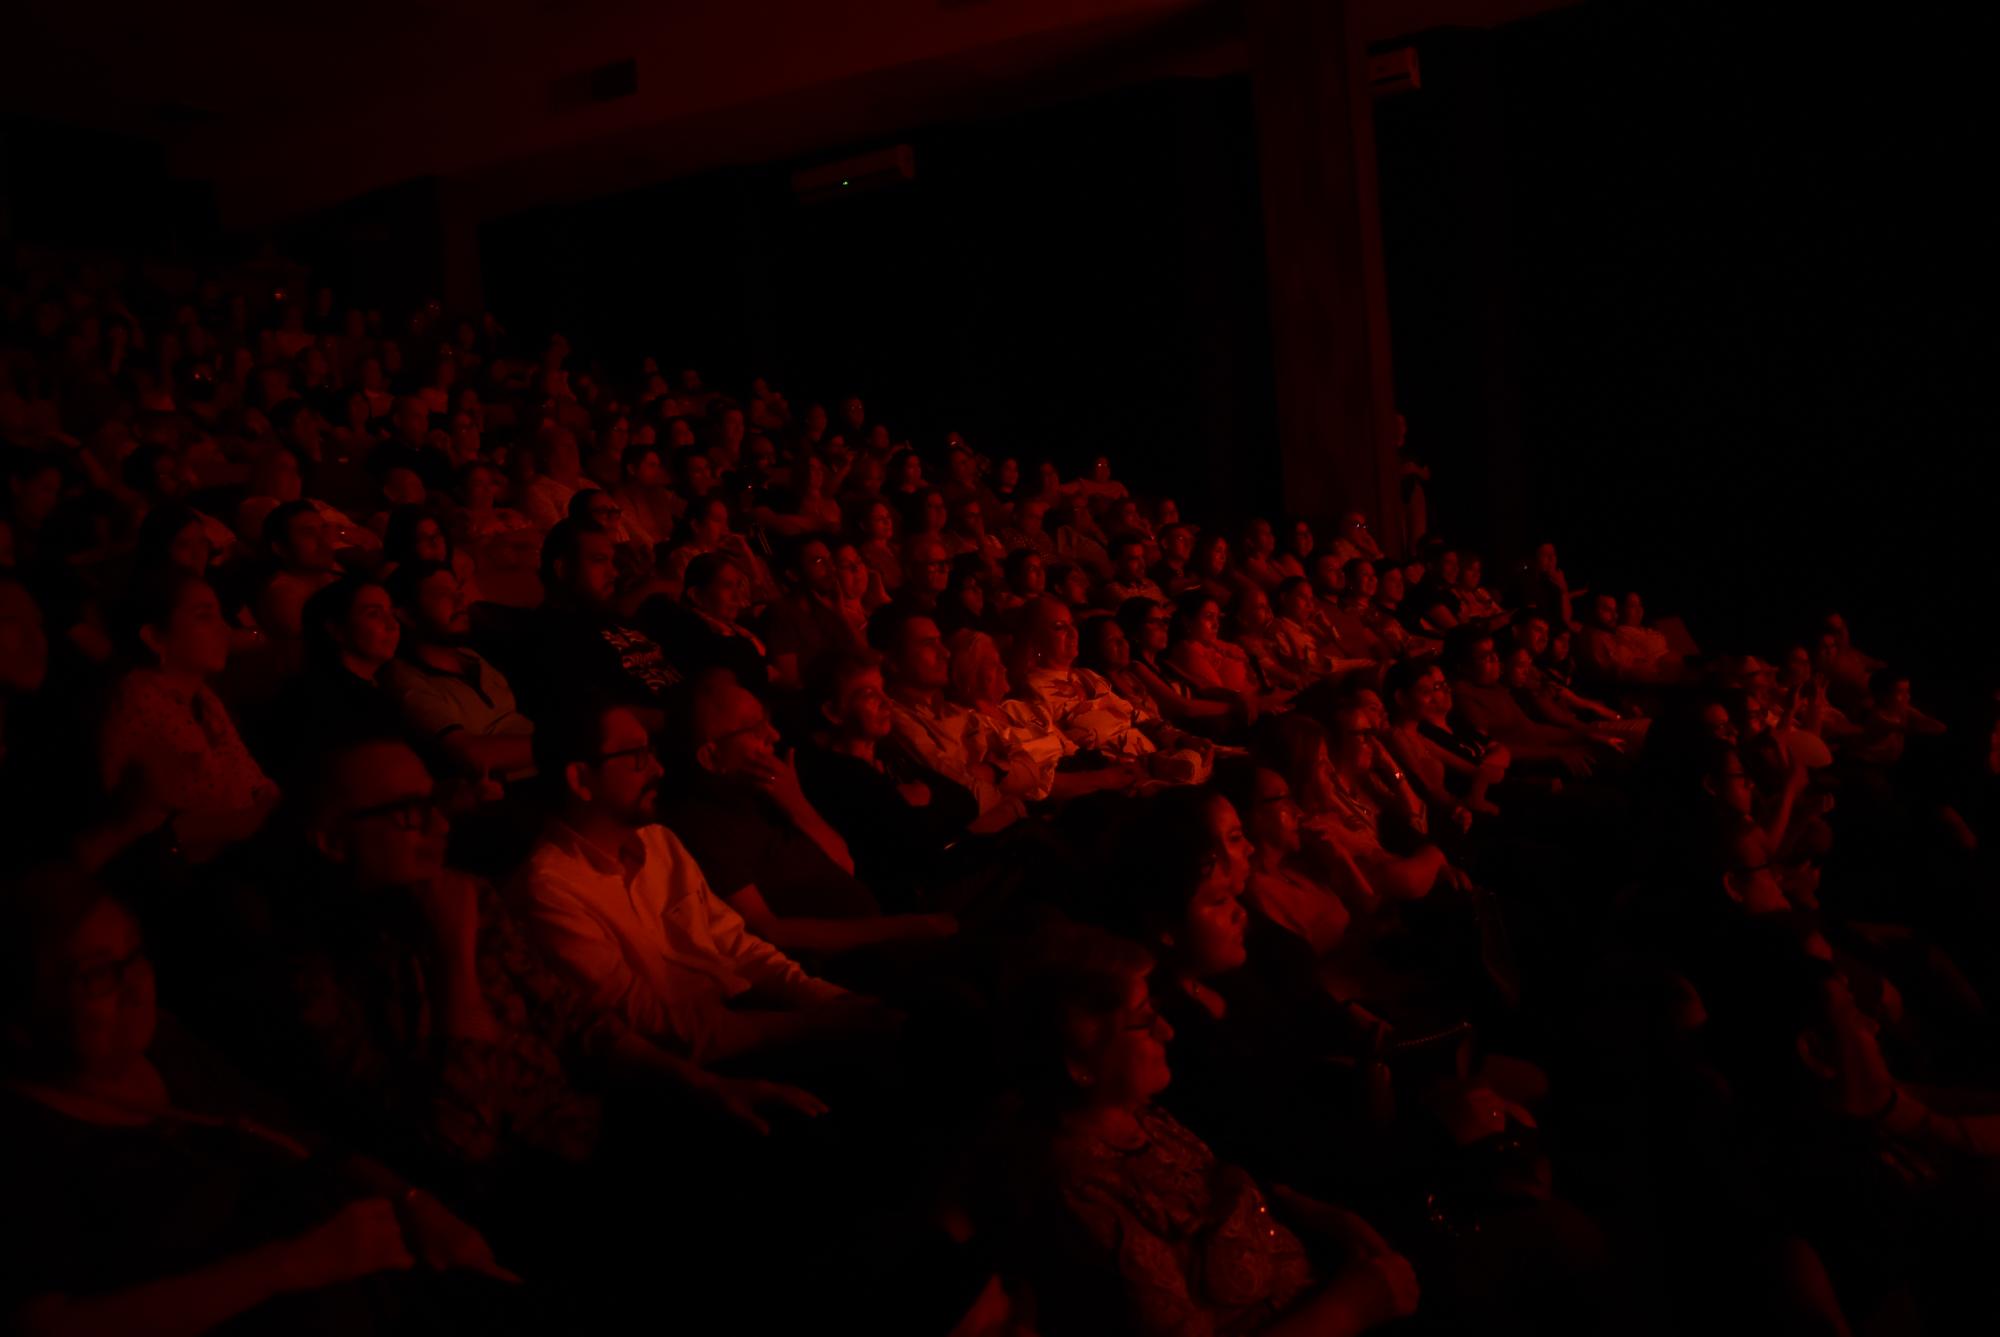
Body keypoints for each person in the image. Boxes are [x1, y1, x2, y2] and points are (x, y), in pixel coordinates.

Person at [0, 872, 522, 1337]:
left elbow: (300, 1136)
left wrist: (414, 1202)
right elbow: (47, 1324)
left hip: (389, 1286)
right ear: (21, 1017)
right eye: (98, 975)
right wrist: (291, 1265)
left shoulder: (166, 1048)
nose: (136, 986)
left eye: (135, 954)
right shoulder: (25, 1139)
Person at [1018, 921, 1420, 1337]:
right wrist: (1351, 1308)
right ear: (1078, 1064)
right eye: (1143, 1022)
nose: (1167, 1031)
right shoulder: (1087, 1201)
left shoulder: (1141, 1114)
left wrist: (1318, 1214)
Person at [514, 700, 868, 1063]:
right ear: (581, 779)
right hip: (707, 1063)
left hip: (752, 1014)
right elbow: (648, 1024)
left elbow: (735, 943)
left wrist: (829, 999)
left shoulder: (659, 841)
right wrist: (811, 1025)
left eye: (652, 751)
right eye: (637, 756)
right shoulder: (551, 890)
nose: (659, 768)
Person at [660, 670, 956, 958]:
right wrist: (905, 928)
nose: (774, 735)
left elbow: (845, 863)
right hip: (843, 964)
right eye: (754, 728)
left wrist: (794, 801)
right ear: (710, 756)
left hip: (878, 938)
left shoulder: (764, 791)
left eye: (767, 721)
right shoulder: (704, 825)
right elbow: (769, 933)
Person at [100, 572, 280, 865]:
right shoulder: (138, 703)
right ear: (155, 637)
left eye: (220, 616)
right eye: (204, 616)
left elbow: (252, 781)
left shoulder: (203, 697)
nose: (224, 630)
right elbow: (163, 827)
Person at [381, 561, 535, 788]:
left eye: (459, 591)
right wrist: (561, 746)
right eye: (443, 594)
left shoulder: (471, 656)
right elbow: (470, 754)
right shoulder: (405, 679)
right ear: (406, 614)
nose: (460, 600)